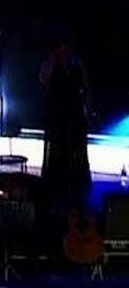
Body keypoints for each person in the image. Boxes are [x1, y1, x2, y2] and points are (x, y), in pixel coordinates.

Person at [40, 36, 93, 213]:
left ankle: (77, 194)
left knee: (76, 153)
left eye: (66, 46)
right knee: (57, 154)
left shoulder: (77, 65)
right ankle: (56, 195)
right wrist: (53, 62)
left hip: (75, 117)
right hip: (57, 119)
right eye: (60, 46)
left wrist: (87, 109)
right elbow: (44, 81)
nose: (64, 50)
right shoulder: (51, 65)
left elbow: (85, 88)